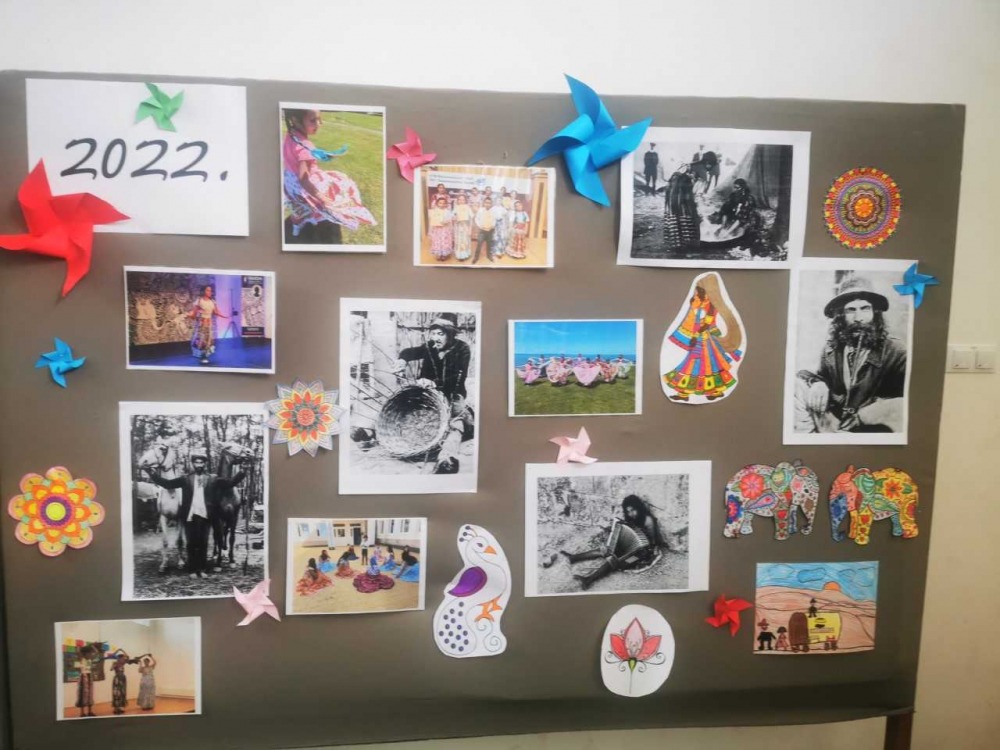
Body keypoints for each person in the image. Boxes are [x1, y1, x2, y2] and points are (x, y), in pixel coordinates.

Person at [794, 274, 907, 433]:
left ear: (875, 312)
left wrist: (867, 415)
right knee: (796, 387)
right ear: (841, 315)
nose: (858, 318)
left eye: (865, 308)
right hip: (836, 424)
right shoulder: (831, 350)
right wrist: (817, 383)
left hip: (873, 429)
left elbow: (910, 400)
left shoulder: (896, 351)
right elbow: (818, 376)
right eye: (851, 310)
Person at [145, 449, 247, 579]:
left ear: (204, 464)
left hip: (206, 515)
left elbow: (230, 483)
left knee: (203, 543)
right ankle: (192, 569)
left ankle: (202, 569)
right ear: (193, 464)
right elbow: (167, 484)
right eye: (196, 462)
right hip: (190, 516)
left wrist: (243, 471)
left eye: (201, 462)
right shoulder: (186, 479)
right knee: (191, 544)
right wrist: (151, 474)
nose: (199, 465)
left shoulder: (212, 478)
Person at [393, 313, 474, 474]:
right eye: (433, 333)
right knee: (404, 413)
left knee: (456, 424)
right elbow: (409, 352)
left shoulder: (462, 349)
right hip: (429, 395)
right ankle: (367, 432)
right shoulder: (430, 346)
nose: (435, 338)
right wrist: (402, 360)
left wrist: (434, 383)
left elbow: (458, 377)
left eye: (440, 334)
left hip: (452, 395)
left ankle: (447, 458)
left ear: (450, 334)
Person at [281, 108, 376, 245]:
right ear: (296, 120)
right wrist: (321, 197)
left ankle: (296, 228)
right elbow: (304, 179)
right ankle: (324, 216)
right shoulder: (305, 147)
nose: (319, 124)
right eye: (313, 120)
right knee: (341, 183)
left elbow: (295, 158)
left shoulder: (291, 134)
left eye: (319, 119)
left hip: (290, 182)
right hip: (302, 185)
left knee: (298, 208)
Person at [662, 275, 743, 401]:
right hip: (699, 338)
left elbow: (706, 324)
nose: (695, 291)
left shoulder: (709, 305)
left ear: (705, 291)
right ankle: (688, 394)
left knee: (704, 365)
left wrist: (695, 336)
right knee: (698, 365)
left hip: (703, 340)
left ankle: (708, 392)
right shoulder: (697, 302)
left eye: (698, 289)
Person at [559, 495, 664, 590]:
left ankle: (588, 580)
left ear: (638, 507)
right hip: (628, 547)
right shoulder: (630, 518)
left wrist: (647, 547)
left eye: (633, 510)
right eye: (628, 511)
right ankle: (574, 558)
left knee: (615, 561)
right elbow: (625, 533)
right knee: (605, 550)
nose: (631, 514)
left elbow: (652, 542)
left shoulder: (647, 520)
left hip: (642, 553)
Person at [188, 285, 228, 365]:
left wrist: (225, 316)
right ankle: (202, 356)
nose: (210, 292)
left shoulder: (212, 301)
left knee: (208, 340)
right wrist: (190, 315)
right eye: (208, 290)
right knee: (201, 340)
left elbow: (216, 312)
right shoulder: (199, 301)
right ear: (204, 291)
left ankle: (205, 356)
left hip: (209, 324)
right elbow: (194, 314)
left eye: (210, 290)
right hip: (201, 324)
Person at [427, 196, 454, 261]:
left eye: (444, 203)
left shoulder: (447, 211)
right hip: (437, 230)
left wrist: (447, 221)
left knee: (445, 241)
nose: (442, 204)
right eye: (440, 203)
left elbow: (450, 220)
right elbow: (432, 221)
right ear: (437, 204)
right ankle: (438, 254)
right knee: (437, 242)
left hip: (445, 230)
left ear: (446, 204)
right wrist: (430, 231)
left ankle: (444, 255)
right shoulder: (434, 211)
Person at [472, 197, 496, 264]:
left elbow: (494, 219)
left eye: (489, 203)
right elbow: (476, 219)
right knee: (479, 244)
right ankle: (476, 257)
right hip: (482, 231)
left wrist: (493, 225)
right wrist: (480, 226)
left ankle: (489, 256)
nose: (487, 204)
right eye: (486, 203)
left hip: (490, 230)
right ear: (484, 203)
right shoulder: (480, 210)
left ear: (491, 204)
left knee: (489, 244)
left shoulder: (493, 211)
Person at [75, 644, 97, 718]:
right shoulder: (82, 659)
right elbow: (78, 652)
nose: (91, 654)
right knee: (82, 694)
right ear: (85, 653)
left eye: (91, 653)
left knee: (90, 694)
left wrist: (92, 646)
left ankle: (90, 712)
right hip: (83, 677)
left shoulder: (90, 659)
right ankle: (82, 713)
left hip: (89, 676)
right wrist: (80, 648)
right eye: (89, 653)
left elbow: (96, 652)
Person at [107, 649, 131, 715]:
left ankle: (121, 707)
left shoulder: (123, 663)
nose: (123, 659)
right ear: (119, 658)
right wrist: (117, 651)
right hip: (117, 679)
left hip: (122, 678)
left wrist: (122, 651)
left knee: (122, 693)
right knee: (116, 693)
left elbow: (128, 657)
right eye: (122, 658)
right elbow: (111, 669)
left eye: (123, 658)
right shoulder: (115, 663)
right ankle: (115, 708)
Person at [452, 193, 473, 261]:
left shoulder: (468, 208)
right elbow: (452, 217)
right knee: (459, 240)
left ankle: (465, 254)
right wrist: (454, 218)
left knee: (465, 240)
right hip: (458, 227)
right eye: (460, 200)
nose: (461, 201)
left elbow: (471, 219)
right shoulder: (456, 208)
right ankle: (459, 255)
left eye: (463, 200)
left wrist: (470, 229)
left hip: (465, 227)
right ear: (457, 200)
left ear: (465, 200)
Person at [490, 193, 509, 260]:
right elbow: (490, 217)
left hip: (501, 225)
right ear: (495, 201)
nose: (498, 202)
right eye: (497, 200)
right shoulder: (492, 209)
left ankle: (499, 252)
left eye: (500, 200)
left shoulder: (503, 209)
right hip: (494, 224)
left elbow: (505, 218)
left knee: (501, 238)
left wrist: (505, 225)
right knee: (494, 237)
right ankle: (494, 251)